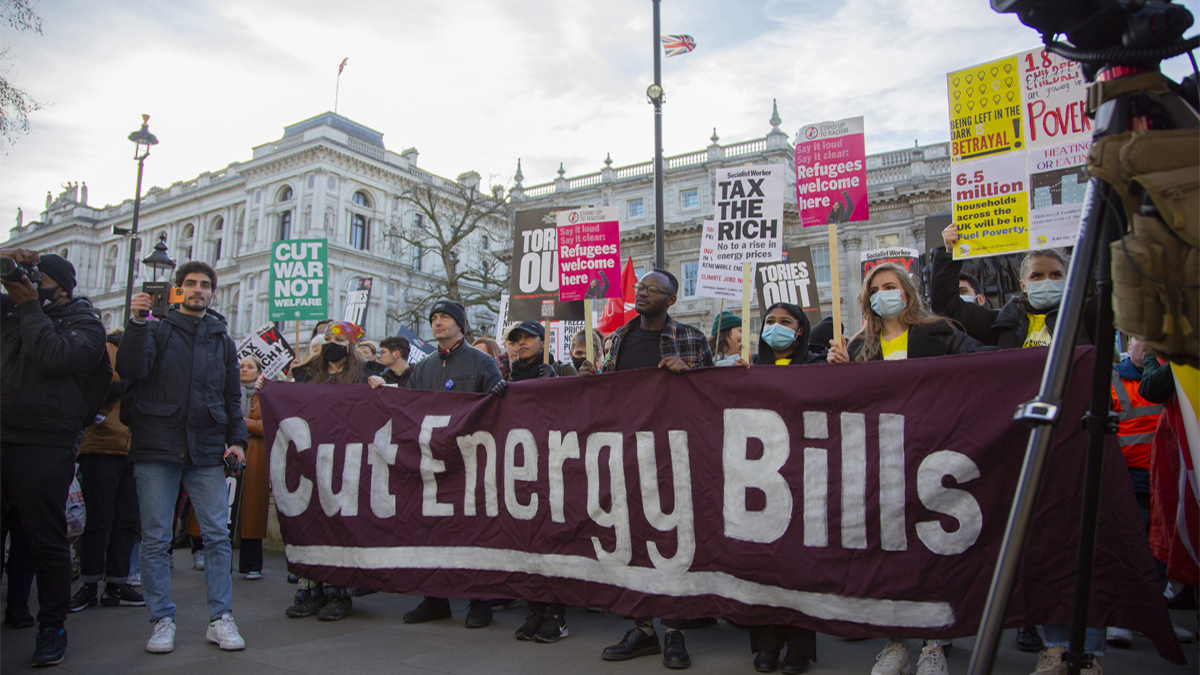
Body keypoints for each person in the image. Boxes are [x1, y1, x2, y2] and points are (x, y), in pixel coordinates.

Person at [827, 263, 989, 675]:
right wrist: (838, 372)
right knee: (890, 553)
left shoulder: (939, 332)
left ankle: (933, 646)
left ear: (907, 292)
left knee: (933, 550)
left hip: (933, 453)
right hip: (884, 459)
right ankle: (895, 643)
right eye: (875, 289)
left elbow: (986, 363)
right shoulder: (860, 345)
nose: (883, 293)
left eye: (890, 286)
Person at [579, 270, 713, 670]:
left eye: (653, 290)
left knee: (675, 538)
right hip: (628, 452)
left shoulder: (691, 338)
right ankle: (642, 628)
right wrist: (592, 378)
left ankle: (674, 631)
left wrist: (688, 374)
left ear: (671, 300)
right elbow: (610, 391)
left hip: (676, 453)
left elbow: (713, 392)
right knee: (632, 535)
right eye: (640, 288)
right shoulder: (618, 338)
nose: (642, 293)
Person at [116, 260, 247, 655]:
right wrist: (137, 323)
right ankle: (161, 619)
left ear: (212, 292)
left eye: (204, 285)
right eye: (190, 283)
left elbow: (231, 396)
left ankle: (220, 617)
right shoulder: (156, 328)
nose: (198, 290)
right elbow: (129, 368)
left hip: (205, 447)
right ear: (178, 290)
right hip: (157, 444)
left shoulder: (222, 339)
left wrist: (236, 440)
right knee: (156, 538)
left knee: (217, 536)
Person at [1, 249, 107, 667]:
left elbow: (53, 356)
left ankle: (52, 625)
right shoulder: (10, 312)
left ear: (60, 287)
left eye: (38, 278)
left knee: (44, 538)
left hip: (45, 441)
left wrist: (30, 307)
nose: (29, 283)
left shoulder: (85, 323)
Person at [403, 300, 502, 629]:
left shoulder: (482, 363)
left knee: (475, 531)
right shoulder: (423, 367)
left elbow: (499, 411)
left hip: (472, 463)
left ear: (460, 324)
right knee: (432, 531)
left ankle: (480, 600)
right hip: (433, 464)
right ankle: (435, 598)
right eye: (433, 317)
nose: (437, 322)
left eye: (444, 317)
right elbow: (408, 408)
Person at [739, 303, 821, 674]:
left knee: (801, 563)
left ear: (800, 330)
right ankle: (766, 645)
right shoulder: (749, 368)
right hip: (758, 477)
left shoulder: (817, 366)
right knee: (761, 561)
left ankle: (799, 646)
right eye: (770, 321)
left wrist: (842, 368)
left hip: (804, 474)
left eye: (785, 322)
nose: (776, 327)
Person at [270, 321, 370, 620]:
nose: (332, 344)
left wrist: (378, 386)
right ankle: (310, 590)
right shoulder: (304, 374)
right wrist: (268, 389)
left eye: (339, 340)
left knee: (340, 526)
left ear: (350, 347)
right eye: (328, 339)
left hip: (344, 460)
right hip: (308, 459)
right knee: (308, 523)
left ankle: (339, 593)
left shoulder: (363, 376)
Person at [491, 321, 574, 643]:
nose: (521, 343)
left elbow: (582, 407)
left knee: (552, 542)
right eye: (516, 339)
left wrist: (559, 385)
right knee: (525, 542)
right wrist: (496, 397)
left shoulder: (560, 369)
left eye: (528, 337)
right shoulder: (510, 377)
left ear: (544, 340)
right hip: (521, 471)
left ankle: (556, 615)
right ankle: (535, 611)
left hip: (555, 469)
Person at [71, 329, 145, 612]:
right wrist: (124, 386)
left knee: (127, 520)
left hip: (136, 449)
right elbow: (88, 391)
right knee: (97, 520)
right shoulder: (104, 352)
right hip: (102, 446)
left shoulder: (145, 358)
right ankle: (89, 584)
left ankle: (117, 582)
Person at [931, 223, 1089, 350]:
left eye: (1055, 275)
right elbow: (947, 308)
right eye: (1036, 276)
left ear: (1068, 280)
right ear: (1023, 285)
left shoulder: (1086, 318)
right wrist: (949, 253)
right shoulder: (1001, 324)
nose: (1046, 281)